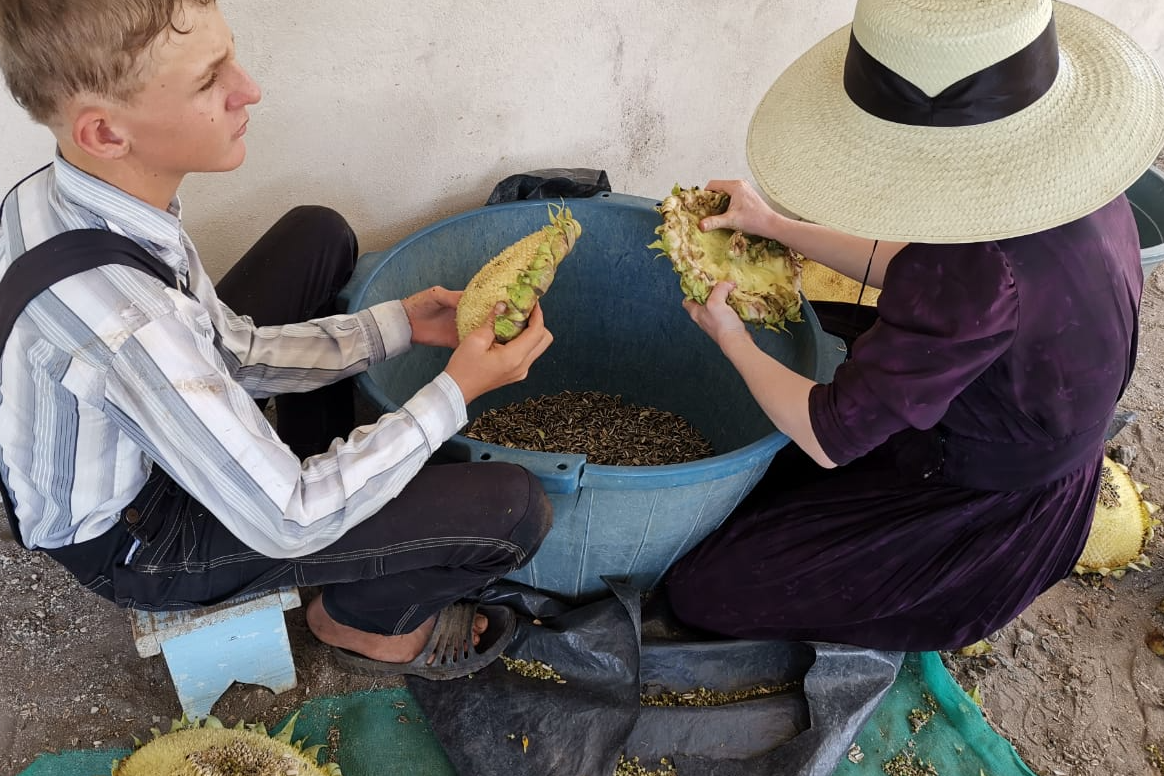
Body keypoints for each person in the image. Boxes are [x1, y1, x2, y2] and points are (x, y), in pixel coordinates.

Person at [0, 0, 554, 679]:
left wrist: (402, 324)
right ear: (107, 133)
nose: (249, 89)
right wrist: (457, 390)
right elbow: (290, 518)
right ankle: (359, 622)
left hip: (146, 424)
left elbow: (224, 350)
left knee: (318, 236)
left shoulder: (66, 195)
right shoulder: (131, 324)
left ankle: (301, 467)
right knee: (515, 510)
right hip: (141, 540)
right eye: (210, 80)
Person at [665, 0, 1164, 651]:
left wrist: (726, 332)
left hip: (988, 507)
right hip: (1011, 410)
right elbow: (916, 269)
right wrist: (775, 225)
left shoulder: (982, 268)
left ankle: (933, 596)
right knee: (812, 343)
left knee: (703, 590)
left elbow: (827, 435)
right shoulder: (1072, 188)